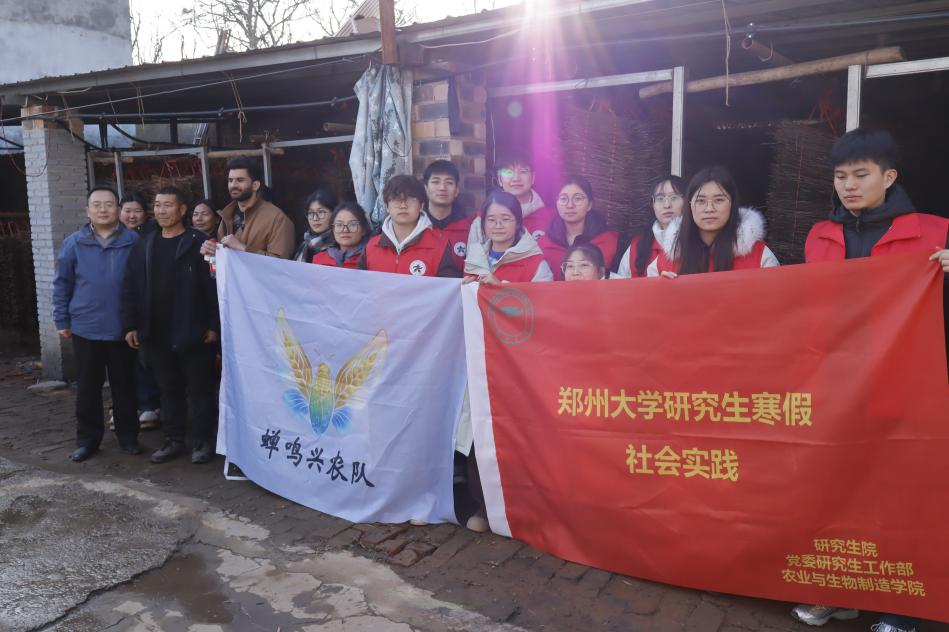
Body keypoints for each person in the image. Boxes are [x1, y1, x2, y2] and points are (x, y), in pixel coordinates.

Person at [792, 128, 949, 632]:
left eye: (861, 174)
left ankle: (903, 610)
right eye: (841, 176)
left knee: (899, 498)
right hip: (834, 386)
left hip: (903, 388)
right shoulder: (820, 236)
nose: (849, 186)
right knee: (833, 492)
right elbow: (794, 303)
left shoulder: (936, 233)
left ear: (890, 176)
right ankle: (837, 590)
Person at [122, 186, 220, 465]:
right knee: (168, 389)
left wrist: (213, 325)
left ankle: (202, 442)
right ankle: (173, 440)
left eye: (168, 205)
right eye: (158, 205)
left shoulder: (200, 243)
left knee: (200, 390)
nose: (161, 210)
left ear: (182, 210)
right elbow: (131, 287)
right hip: (156, 332)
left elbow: (214, 286)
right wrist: (131, 325)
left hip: (194, 331)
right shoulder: (144, 245)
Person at [53, 187, 142, 462]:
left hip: (122, 329)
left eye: (109, 204)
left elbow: (142, 286)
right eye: (97, 205)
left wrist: (137, 323)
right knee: (88, 388)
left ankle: (128, 437)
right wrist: (61, 319)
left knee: (125, 386)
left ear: (118, 210)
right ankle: (87, 440)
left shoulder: (133, 241)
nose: (103, 210)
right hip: (86, 326)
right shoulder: (74, 243)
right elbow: (62, 283)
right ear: (87, 211)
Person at [650, 166, 779, 277]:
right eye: (701, 201)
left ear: (732, 204)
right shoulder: (665, 262)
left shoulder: (760, 257)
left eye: (718, 200)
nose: (709, 209)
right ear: (689, 206)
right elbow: (649, 296)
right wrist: (661, 288)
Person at [359, 175, 459, 277]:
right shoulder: (371, 247)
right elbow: (359, 284)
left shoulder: (439, 247)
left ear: (421, 206)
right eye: (396, 199)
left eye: (411, 199)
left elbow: (450, 285)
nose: (403, 206)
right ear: (386, 207)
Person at [199, 157, 295, 260]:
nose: (233, 185)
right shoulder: (226, 215)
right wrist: (213, 253)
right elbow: (225, 260)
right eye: (230, 180)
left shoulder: (277, 219)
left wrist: (243, 248)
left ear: (255, 185)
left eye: (240, 180)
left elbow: (282, 264)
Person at [537, 175, 619, 280]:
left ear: (589, 204)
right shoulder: (542, 244)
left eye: (578, 199)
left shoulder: (612, 241)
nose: (570, 205)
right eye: (563, 199)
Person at [464, 190, 553, 284]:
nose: (498, 225)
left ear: (518, 223)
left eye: (505, 219)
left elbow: (544, 294)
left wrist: (500, 287)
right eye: (491, 220)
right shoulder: (474, 258)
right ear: (483, 223)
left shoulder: (536, 264)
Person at [614, 175, 687, 278]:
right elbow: (621, 285)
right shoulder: (637, 246)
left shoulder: (696, 241)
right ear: (652, 205)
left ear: (687, 201)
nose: (667, 205)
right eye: (660, 198)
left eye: (674, 197)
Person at [422, 160, 474, 272]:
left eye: (449, 182)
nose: (442, 188)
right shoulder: (415, 228)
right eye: (436, 182)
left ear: (457, 190)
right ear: (426, 188)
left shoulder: (470, 229)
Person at [494, 151, 556, 239]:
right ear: (500, 179)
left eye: (523, 171)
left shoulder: (552, 218)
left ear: (533, 177)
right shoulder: (484, 218)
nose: (516, 178)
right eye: (508, 172)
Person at [313, 202, 370, 269]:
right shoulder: (319, 260)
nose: (345, 230)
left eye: (352, 224)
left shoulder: (371, 257)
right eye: (339, 225)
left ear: (363, 230)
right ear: (332, 229)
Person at [293, 187, 339, 263]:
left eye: (321, 212)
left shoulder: (340, 245)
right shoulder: (304, 245)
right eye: (311, 213)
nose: (315, 218)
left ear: (334, 213)